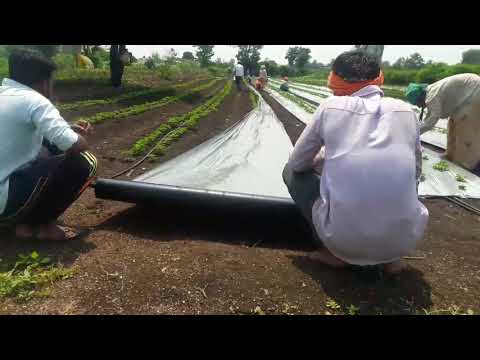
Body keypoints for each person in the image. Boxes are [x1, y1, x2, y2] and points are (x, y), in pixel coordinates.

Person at [282, 50, 428, 275]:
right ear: (379, 78)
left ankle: (333, 252)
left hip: (343, 241)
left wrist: (324, 160)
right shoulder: (406, 111)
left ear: (335, 79)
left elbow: (298, 163)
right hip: (404, 241)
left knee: (290, 172)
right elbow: (417, 171)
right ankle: (391, 258)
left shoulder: (330, 107)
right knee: (408, 178)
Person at [0, 49, 98, 241]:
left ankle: (24, 221)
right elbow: (76, 146)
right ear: (44, 82)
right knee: (86, 161)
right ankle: (37, 225)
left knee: (48, 148)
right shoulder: (36, 100)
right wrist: (78, 137)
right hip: (4, 202)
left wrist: (65, 130)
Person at [405, 74, 480, 171]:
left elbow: (430, 122)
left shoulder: (432, 96)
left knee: (465, 128)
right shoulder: (430, 93)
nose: (419, 107)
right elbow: (428, 119)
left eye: (417, 103)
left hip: (474, 91)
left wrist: (412, 135)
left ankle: (465, 164)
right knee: (452, 123)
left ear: (420, 97)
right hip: (467, 94)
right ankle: (449, 155)